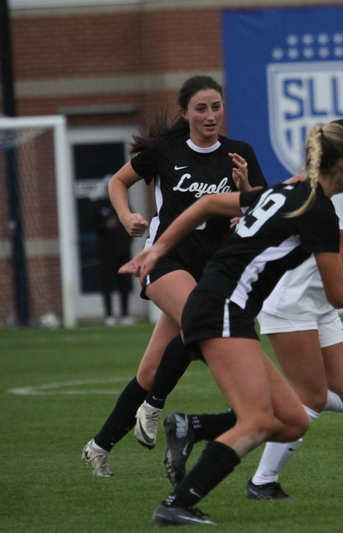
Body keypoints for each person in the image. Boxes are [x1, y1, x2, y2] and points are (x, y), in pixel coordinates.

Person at [120, 121, 343, 526]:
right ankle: (177, 503)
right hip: (221, 310)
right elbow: (338, 296)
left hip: (219, 307)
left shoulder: (285, 193)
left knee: (293, 420)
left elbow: (207, 205)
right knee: (259, 420)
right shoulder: (317, 211)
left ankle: (188, 426)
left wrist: (157, 251)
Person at [160, 98, 343, 500]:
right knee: (304, 401)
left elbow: (288, 194)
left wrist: (253, 199)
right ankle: (259, 481)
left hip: (315, 300)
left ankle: (200, 428)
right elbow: (341, 252)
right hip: (293, 297)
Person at [82, 75, 266, 477]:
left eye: (216, 106)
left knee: (150, 371)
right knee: (202, 320)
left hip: (210, 270)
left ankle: (98, 447)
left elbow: (257, 209)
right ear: (184, 113)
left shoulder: (240, 153)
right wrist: (126, 214)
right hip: (163, 262)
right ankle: (154, 406)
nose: (210, 115)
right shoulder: (165, 151)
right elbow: (118, 181)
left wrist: (245, 191)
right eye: (201, 108)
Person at [90, 177, 134, 326]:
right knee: (107, 284)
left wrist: (126, 243)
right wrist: (105, 225)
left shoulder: (125, 205)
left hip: (123, 252)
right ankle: (108, 315)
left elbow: (133, 226)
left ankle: (125, 314)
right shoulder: (98, 206)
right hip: (106, 252)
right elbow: (92, 225)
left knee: (125, 284)